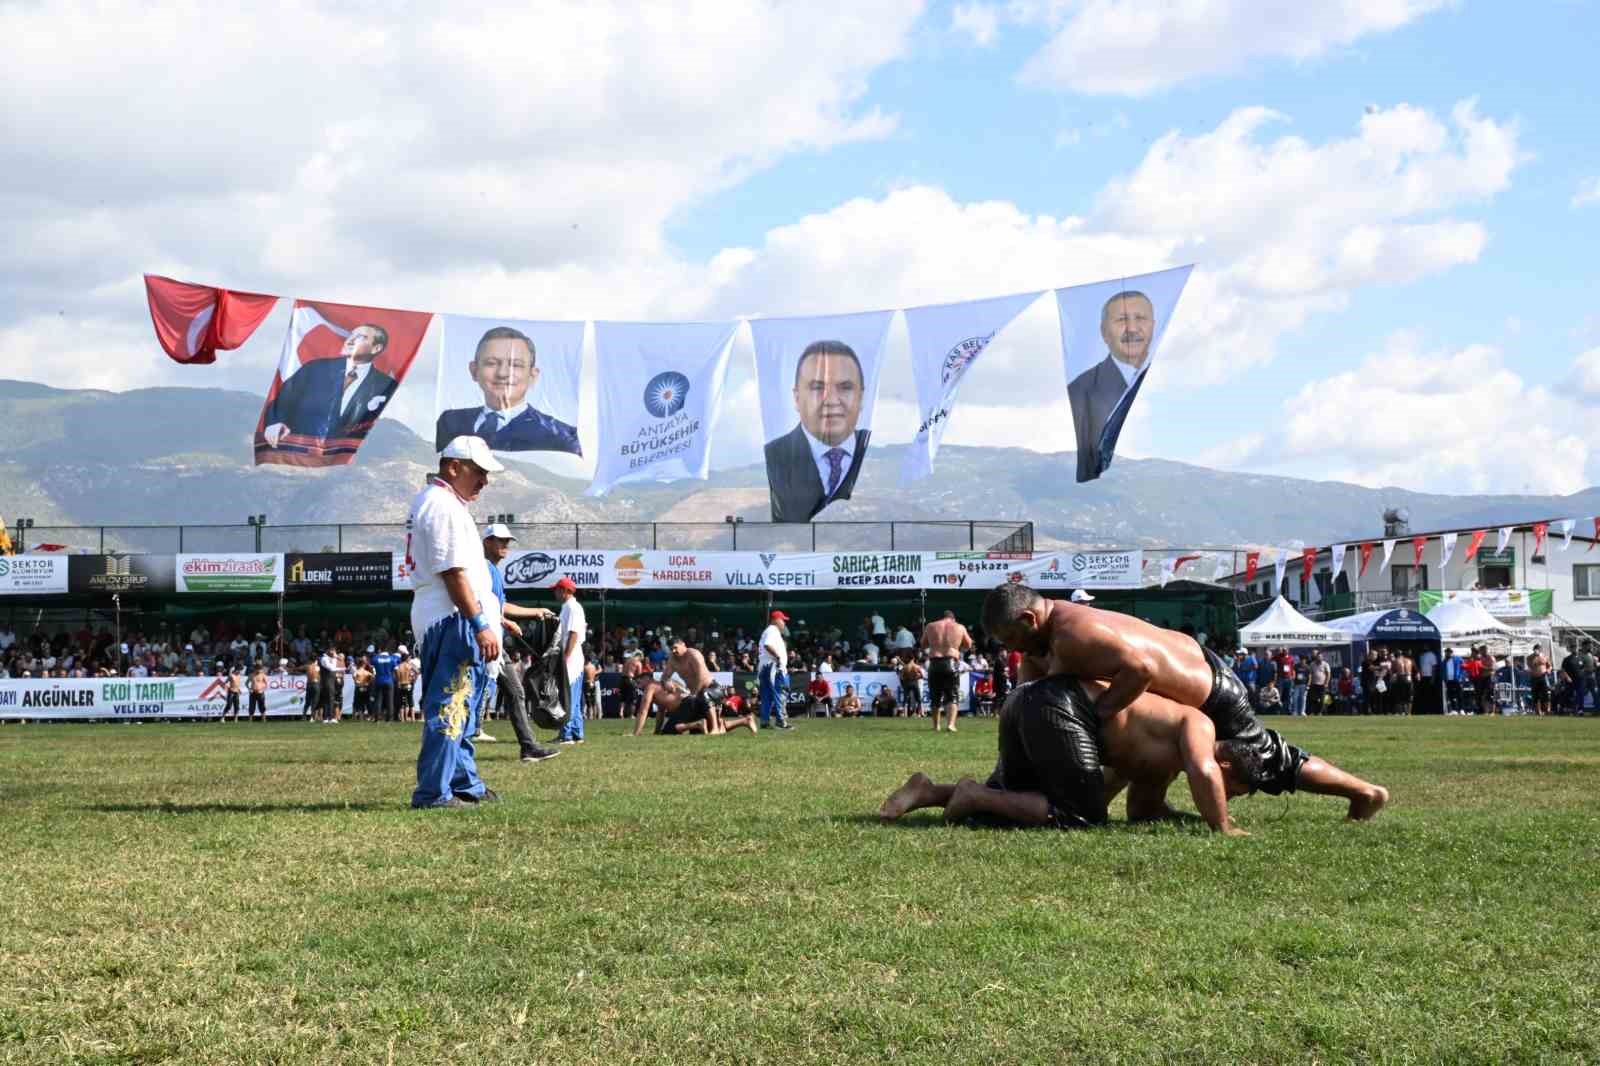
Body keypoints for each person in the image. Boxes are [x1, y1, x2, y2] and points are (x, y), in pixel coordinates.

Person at [981, 583, 1356, 804]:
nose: (1015, 649)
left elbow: (1140, 670)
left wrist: (1097, 718)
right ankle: (1128, 810)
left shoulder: (1073, 634)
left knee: (1273, 762)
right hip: (1187, 679)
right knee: (1141, 773)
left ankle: (1366, 793)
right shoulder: (1049, 638)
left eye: (1013, 640)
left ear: (1029, 619)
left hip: (1212, 692)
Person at [878, 676, 1388, 831]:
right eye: (1237, 791)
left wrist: (1181, 818)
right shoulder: (1198, 726)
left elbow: (1142, 808)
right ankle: (971, 795)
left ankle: (928, 791)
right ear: (1229, 765)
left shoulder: (1158, 754)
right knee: (1076, 818)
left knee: (1035, 797)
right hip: (1062, 710)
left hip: (1041, 709)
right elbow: (1204, 770)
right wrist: (1222, 825)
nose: (1229, 796)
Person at [406, 435, 504, 809]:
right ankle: (433, 792)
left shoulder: (439, 503)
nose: (484, 481)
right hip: (452, 616)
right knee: (450, 705)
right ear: (454, 467)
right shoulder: (442, 506)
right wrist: (479, 622)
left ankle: (465, 782)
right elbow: (453, 572)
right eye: (478, 472)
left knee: (461, 703)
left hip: (446, 614)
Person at [477, 523, 562, 762]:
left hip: (492, 637)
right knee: (497, 692)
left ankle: (528, 746)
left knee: (514, 692)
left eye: (507, 541)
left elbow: (494, 606)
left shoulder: (490, 569)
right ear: (487, 542)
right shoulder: (484, 568)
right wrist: (530, 613)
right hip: (484, 638)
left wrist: (505, 621)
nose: (505, 545)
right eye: (499, 540)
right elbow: (488, 605)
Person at [764, 340, 870, 522]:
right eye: (817, 387)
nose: (831, 400)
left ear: (861, 398)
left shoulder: (870, 450)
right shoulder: (774, 455)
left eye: (845, 387)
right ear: (797, 399)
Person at [433, 326, 580, 454]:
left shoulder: (562, 436)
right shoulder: (450, 423)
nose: (503, 373)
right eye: (491, 363)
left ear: (532, 376)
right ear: (474, 370)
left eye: (516, 365)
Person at [260, 323, 398, 449]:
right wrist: (274, 423)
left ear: (376, 348)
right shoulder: (315, 369)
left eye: (360, 337)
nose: (350, 340)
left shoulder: (385, 385)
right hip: (297, 453)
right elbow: (283, 400)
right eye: (351, 335)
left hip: (344, 464)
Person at [1067, 290, 1154, 483]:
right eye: (1121, 320)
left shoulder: (1178, 377)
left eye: (1140, 318)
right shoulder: (1081, 390)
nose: (1132, 328)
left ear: (1154, 325)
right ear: (1104, 332)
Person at [922, 610, 973, 733]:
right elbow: (968, 644)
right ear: (953, 618)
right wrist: (956, 647)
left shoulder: (931, 626)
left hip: (934, 662)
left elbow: (923, 644)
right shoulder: (959, 627)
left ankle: (936, 726)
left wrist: (935, 645)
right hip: (951, 661)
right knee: (952, 695)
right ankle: (950, 724)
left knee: (935, 696)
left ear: (942, 617)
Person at [551, 576, 588, 744]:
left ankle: (566, 735)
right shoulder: (571, 606)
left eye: (557, 589)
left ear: (565, 591)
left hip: (571, 654)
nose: (555, 592)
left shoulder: (571, 607)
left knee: (567, 696)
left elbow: (573, 633)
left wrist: (565, 655)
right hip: (574, 654)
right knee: (573, 696)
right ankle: (576, 733)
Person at [757, 609, 794, 730]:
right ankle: (780, 721)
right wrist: (778, 657)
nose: (784, 622)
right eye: (782, 620)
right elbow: (768, 645)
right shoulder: (773, 630)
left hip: (765, 666)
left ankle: (764, 721)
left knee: (766, 695)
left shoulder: (768, 631)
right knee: (780, 693)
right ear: (775, 620)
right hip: (773, 666)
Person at [372, 643, 399, 722]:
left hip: (379, 680)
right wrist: (396, 679)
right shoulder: (392, 659)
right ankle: (389, 718)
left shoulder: (375, 658)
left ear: (380, 650)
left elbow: (371, 666)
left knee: (378, 699)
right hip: (389, 680)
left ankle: (377, 718)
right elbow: (396, 669)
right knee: (390, 700)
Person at [1528, 644, 1551, 716]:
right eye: (1535, 649)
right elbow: (1530, 666)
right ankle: (1538, 710)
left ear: (1540, 650)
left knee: (1545, 694)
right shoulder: (1530, 657)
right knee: (1535, 695)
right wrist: (1536, 658)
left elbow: (1549, 666)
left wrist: (1548, 670)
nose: (1536, 650)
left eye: (1538, 649)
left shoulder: (1545, 656)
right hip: (1534, 677)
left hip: (1543, 676)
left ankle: (1547, 709)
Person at [395, 645, 416, 722]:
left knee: (402, 703)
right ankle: (413, 719)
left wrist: (399, 682)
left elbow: (396, 677)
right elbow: (417, 671)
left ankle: (403, 719)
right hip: (409, 684)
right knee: (411, 702)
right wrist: (413, 678)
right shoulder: (410, 666)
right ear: (407, 658)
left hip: (401, 685)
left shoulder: (398, 667)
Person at [1305, 651, 1329, 716]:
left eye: (1320, 657)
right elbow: (1310, 674)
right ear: (1316, 657)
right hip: (1314, 684)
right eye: (1318, 657)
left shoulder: (1325, 664)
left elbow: (1328, 674)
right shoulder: (1312, 664)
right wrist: (1309, 683)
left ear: (1322, 657)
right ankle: (1313, 712)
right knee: (1313, 699)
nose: (1319, 658)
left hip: (1322, 684)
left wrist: (1326, 683)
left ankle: (1319, 712)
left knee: (1321, 700)